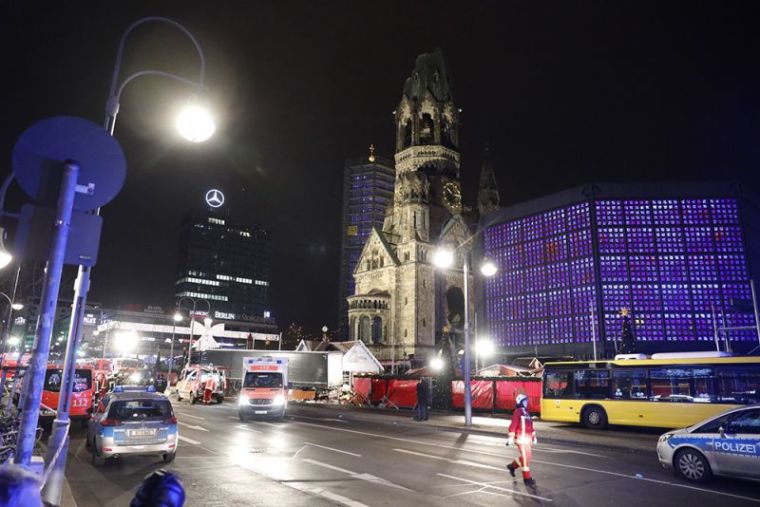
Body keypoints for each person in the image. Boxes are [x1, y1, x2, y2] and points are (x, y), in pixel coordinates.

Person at [506, 393, 537, 490]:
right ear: (520, 402)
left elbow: (531, 427)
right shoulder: (518, 412)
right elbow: (513, 425)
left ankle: (512, 466)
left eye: (527, 401)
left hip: (528, 439)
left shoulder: (527, 412)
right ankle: (527, 479)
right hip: (520, 438)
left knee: (527, 457)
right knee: (526, 458)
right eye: (525, 401)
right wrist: (511, 438)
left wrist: (534, 436)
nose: (527, 402)